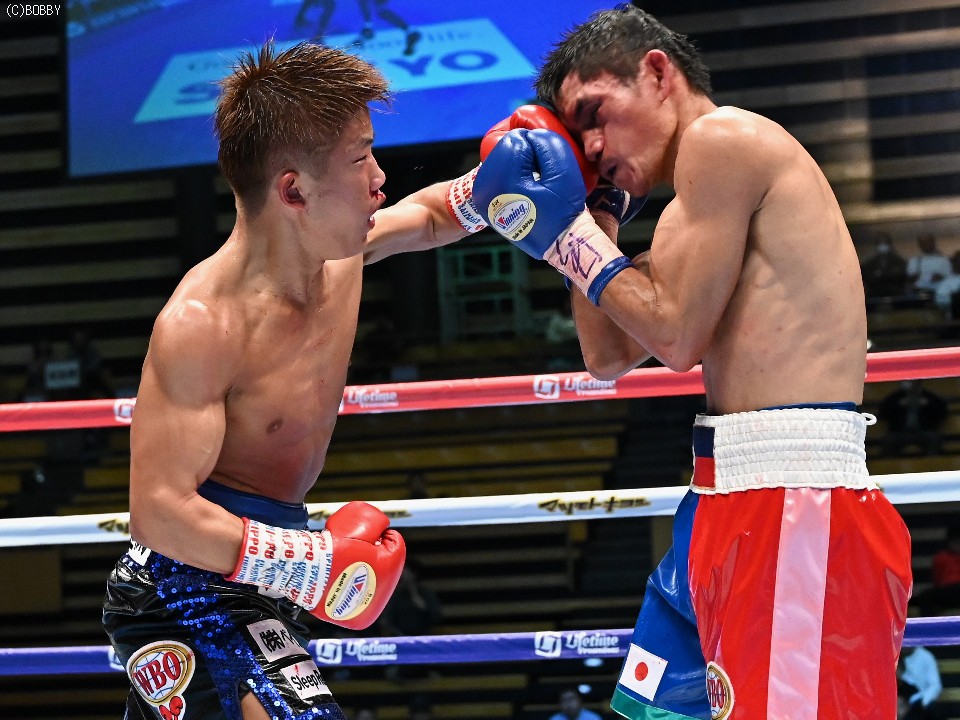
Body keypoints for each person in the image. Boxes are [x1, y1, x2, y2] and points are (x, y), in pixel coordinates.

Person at [472, 5, 912, 719]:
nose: (590, 144)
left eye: (595, 114)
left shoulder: (723, 138)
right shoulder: (687, 214)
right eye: (576, 136)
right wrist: (590, 216)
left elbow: (675, 341)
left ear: (656, 72)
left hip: (792, 504)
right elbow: (609, 354)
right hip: (721, 499)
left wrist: (567, 233)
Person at [102, 40, 487, 720]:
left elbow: (431, 216)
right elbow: (158, 513)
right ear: (293, 191)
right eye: (360, 158)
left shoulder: (340, 254)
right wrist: (310, 563)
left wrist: (507, 181)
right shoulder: (204, 322)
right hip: (185, 587)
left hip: (263, 575)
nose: (380, 179)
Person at [877, 380, 949, 457]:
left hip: (924, 431)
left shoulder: (929, 396)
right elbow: (883, 413)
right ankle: (891, 463)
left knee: (934, 439)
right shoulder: (896, 397)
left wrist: (928, 404)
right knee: (888, 441)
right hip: (900, 432)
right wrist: (898, 404)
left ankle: (932, 463)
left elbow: (942, 412)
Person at [915, 525, 960, 617]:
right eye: (955, 542)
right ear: (949, 543)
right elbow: (937, 579)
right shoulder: (941, 557)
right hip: (947, 591)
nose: (958, 545)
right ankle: (928, 624)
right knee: (925, 596)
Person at [898, 646, 943, 719]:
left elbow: (935, 685)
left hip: (922, 700)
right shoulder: (895, 656)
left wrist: (922, 702)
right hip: (901, 699)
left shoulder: (925, 656)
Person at [861, 231, 908, 300]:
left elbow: (900, 275)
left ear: (889, 244)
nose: (883, 245)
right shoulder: (870, 262)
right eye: (880, 243)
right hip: (875, 291)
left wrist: (881, 274)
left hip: (894, 291)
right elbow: (868, 277)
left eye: (885, 242)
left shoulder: (898, 260)